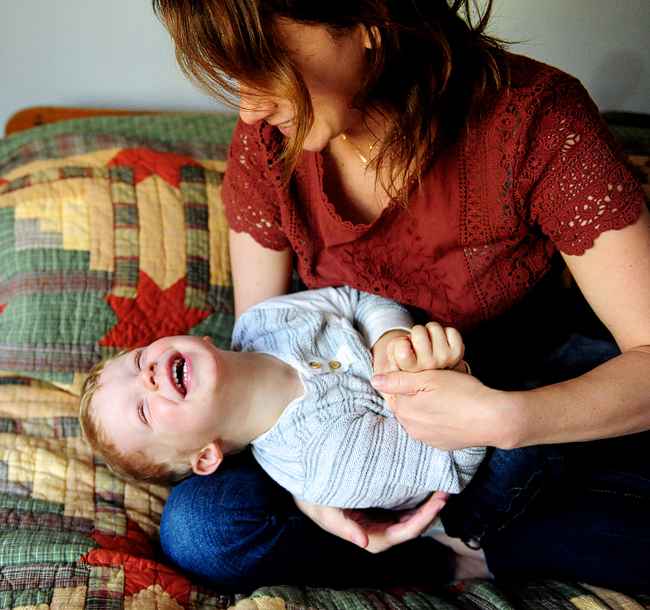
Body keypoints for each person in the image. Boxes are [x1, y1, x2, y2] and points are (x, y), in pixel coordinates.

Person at [150, 0, 650, 594]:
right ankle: (441, 554)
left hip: (525, 396)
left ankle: (484, 540)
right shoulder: (267, 136)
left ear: (373, 18)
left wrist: (503, 419)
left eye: (267, 64)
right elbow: (256, 338)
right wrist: (311, 495)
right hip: (339, 426)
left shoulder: (537, 120)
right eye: (237, 74)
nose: (248, 104)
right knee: (201, 529)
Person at [80, 286, 481, 512]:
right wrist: (450, 380)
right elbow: (450, 467)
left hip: (456, 338)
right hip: (482, 457)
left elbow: (359, 300)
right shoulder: (318, 464)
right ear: (205, 456)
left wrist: (389, 339)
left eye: (137, 361)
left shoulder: (264, 320)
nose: (146, 375)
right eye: (143, 411)